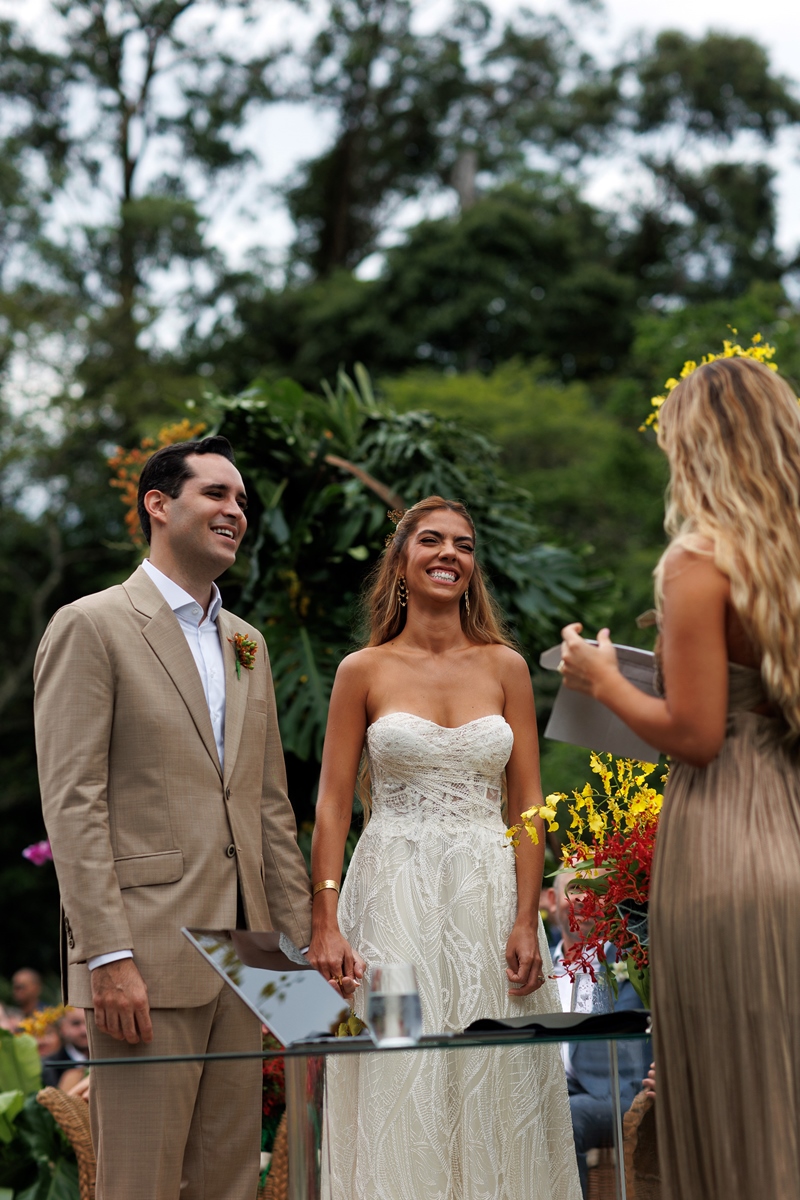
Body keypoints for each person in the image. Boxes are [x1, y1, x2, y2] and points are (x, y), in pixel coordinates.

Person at [34, 436, 312, 1200]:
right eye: (217, 495)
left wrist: (299, 963)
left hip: (251, 960)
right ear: (159, 504)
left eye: (243, 503)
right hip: (145, 960)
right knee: (141, 1185)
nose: (236, 512)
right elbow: (73, 801)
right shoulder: (91, 625)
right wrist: (106, 956)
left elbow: (267, 810)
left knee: (229, 1181)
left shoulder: (248, 644)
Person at [557, 356, 800, 1200]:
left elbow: (694, 737)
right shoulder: (786, 565)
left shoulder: (698, 559)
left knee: (731, 1099)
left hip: (724, 842)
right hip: (788, 821)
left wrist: (602, 678)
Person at [309, 496, 581, 1200]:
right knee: (401, 1072)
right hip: (391, 900)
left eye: (462, 544)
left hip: (490, 897)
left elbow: (528, 807)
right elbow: (334, 804)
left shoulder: (506, 667)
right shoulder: (361, 671)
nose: (448, 554)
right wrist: (325, 921)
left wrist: (528, 917)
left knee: (501, 1073)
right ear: (401, 561)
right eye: (430, 540)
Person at [548, 872, 648, 1198]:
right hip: (550, 1087)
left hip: (614, 1093)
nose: (582, 899)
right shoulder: (537, 964)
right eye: (574, 889)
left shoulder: (631, 958)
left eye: (595, 891)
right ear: (552, 901)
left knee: (565, 1117)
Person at [41, 1007, 89, 1089]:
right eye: (76, 1023)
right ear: (62, 1028)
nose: (84, 1030)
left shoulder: (108, 1058)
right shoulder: (50, 1067)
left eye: (89, 1023)